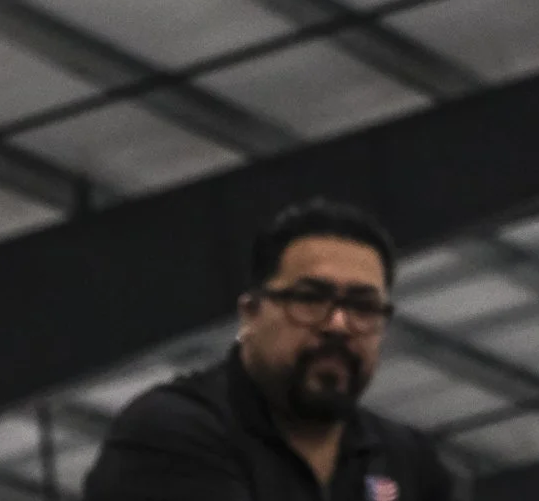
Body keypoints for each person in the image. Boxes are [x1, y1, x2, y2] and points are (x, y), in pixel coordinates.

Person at [85, 198, 456, 501]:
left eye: (362, 307)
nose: (338, 325)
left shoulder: (405, 459)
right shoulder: (174, 432)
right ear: (250, 313)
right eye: (310, 299)